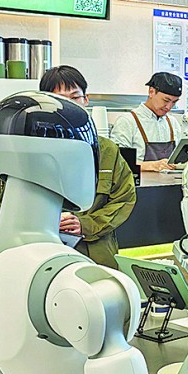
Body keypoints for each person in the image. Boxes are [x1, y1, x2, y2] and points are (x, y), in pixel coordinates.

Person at [40, 66, 137, 268]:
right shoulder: (30, 149)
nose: (68, 105)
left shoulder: (107, 150)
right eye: (58, 98)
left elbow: (124, 198)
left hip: (99, 256)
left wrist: (86, 225)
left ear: (86, 99)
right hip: (46, 253)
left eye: (75, 97)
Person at [110, 71, 184, 172]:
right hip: (140, 182)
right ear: (151, 92)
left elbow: (178, 160)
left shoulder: (173, 123)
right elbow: (118, 162)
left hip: (170, 181)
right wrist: (152, 166)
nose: (169, 107)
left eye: (174, 102)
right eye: (166, 100)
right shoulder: (127, 122)